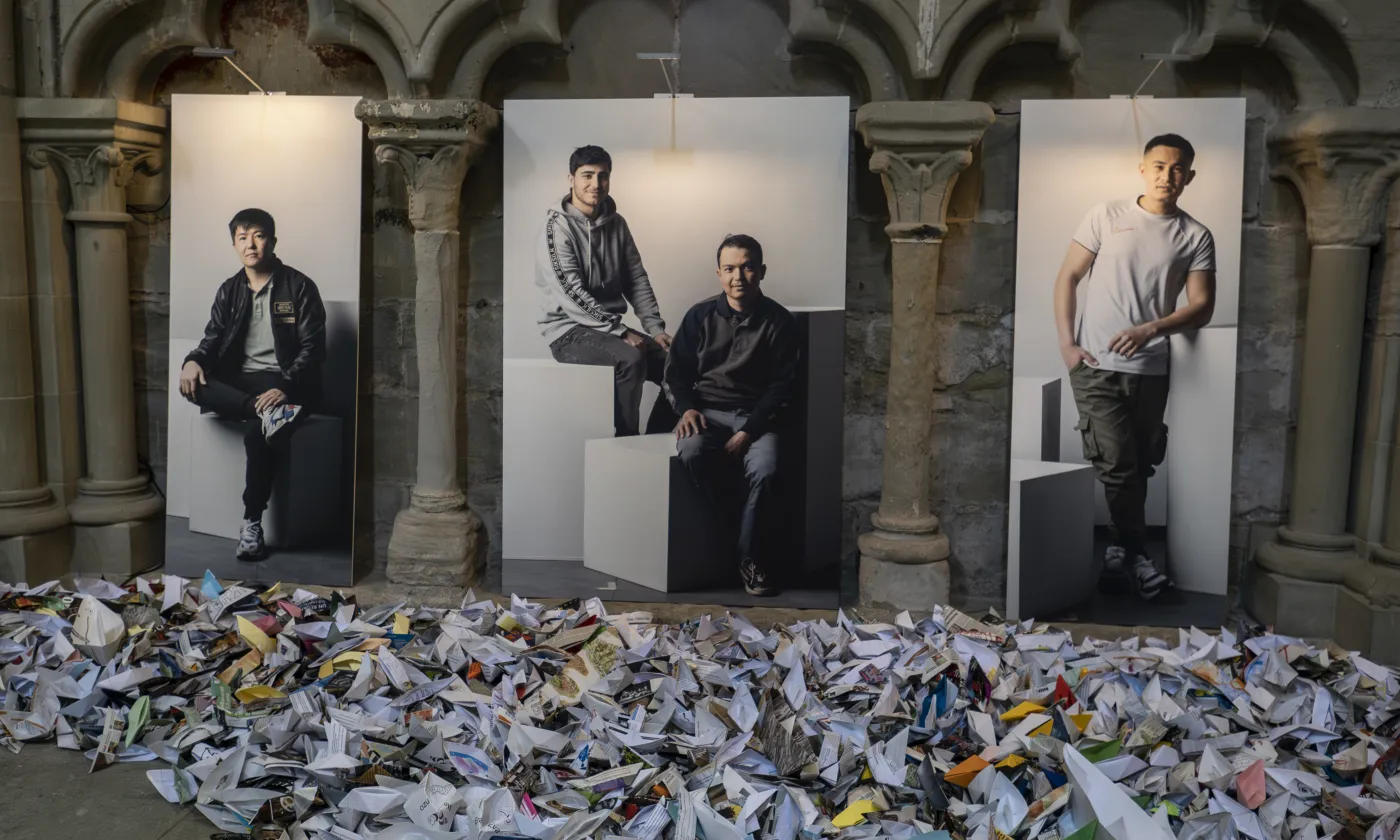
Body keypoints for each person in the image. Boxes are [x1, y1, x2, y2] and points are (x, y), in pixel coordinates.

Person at [1052, 134, 1217, 600]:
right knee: (1118, 464)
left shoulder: (1195, 235)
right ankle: (1140, 558)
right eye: (1159, 166)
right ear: (1143, 169)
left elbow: (1201, 307)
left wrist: (1151, 329)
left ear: (1189, 176)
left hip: (1152, 368)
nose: (1168, 175)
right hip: (1096, 365)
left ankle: (1117, 551)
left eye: (1178, 168)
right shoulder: (1106, 215)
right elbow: (1068, 276)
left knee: (1139, 464)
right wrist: (1068, 344)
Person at [178, 208, 326, 562]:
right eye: (242, 238)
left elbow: (313, 347)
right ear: (234, 244)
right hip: (241, 383)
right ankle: (265, 412)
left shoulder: (298, 286)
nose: (251, 244)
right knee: (194, 383)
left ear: (272, 241)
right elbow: (212, 340)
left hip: (284, 378)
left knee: (257, 435)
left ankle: (251, 523)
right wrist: (192, 360)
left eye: (258, 236)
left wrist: (286, 386)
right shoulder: (229, 290)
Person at [666, 234, 800, 597]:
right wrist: (687, 408)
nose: (738, 276)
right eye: (729, 269)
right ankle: (729, 535)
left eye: (747, 267)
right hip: (707, 412)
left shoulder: (778, 321)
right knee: (690, 451)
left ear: (762, 271)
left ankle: (748, 559)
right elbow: (676, 373)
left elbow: (783, 387)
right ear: (718, 274)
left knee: (766, 468)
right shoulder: (699, 316)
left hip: (757, 417)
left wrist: (749, 431)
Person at [535, 145, 673, 436]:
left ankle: (655, 440)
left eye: (602, 176)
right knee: (631, 358)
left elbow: (636, 279)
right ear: (571, 179)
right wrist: (619, 331)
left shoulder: (617, 224)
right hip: (567, 331)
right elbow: (571, 294)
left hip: (606, 327)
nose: (595, 184)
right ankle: (625, 442)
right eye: (587, 175)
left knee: (673, 364)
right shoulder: (556, 229)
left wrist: (655, 328)